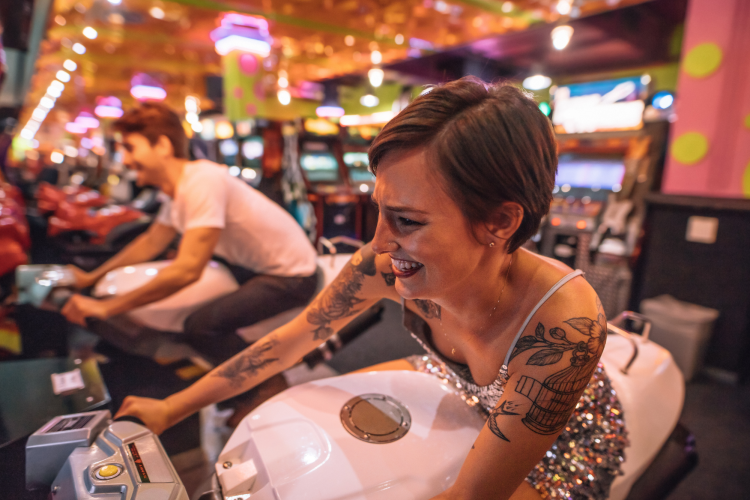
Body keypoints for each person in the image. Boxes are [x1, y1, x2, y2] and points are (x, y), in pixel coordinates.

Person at [116, 78, 627, 500]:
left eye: (406, 220)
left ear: (499, 221)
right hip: (461, 385)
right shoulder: (384, 265)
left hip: (564, 445)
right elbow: (288, 343)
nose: (379, 243)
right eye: (380, 209)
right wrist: (172, 407)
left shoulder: (565, 324)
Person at [61, 102, 319, 365]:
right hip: (248, 267)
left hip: (291, 276)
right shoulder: (178, 190)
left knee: (201, 327)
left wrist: (107, 307)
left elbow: (187, 270)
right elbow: (151, 242)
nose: (124, 160)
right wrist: (90, 278)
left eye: (130, 148)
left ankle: (264, 386)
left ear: (162, 145)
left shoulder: (202, 181)